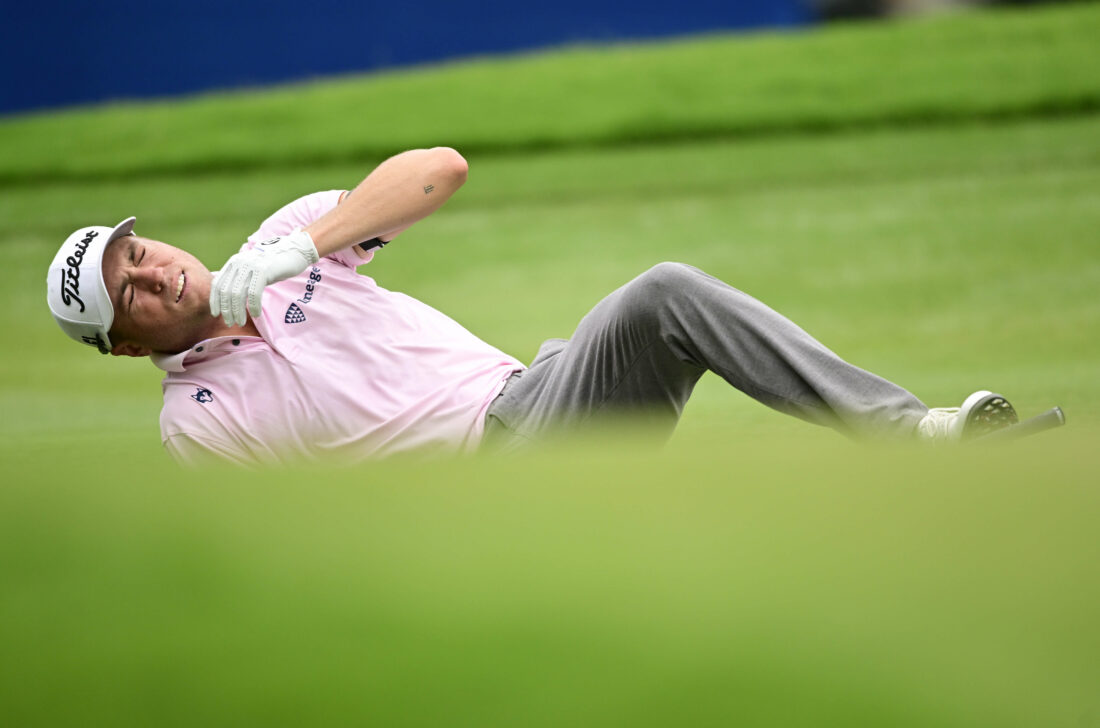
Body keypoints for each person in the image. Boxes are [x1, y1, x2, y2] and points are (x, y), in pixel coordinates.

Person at [46, 147, 1018, 465]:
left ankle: (915, 433)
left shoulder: (286, 247)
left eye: (140, 250)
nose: (150, 272)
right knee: (662, 293)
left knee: (624, 319)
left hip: (540, 390)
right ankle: (912, 435)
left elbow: (439, 168)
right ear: (126, 347)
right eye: (125, 290)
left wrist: (306, 244)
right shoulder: (194, 421)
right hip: (490, 464)